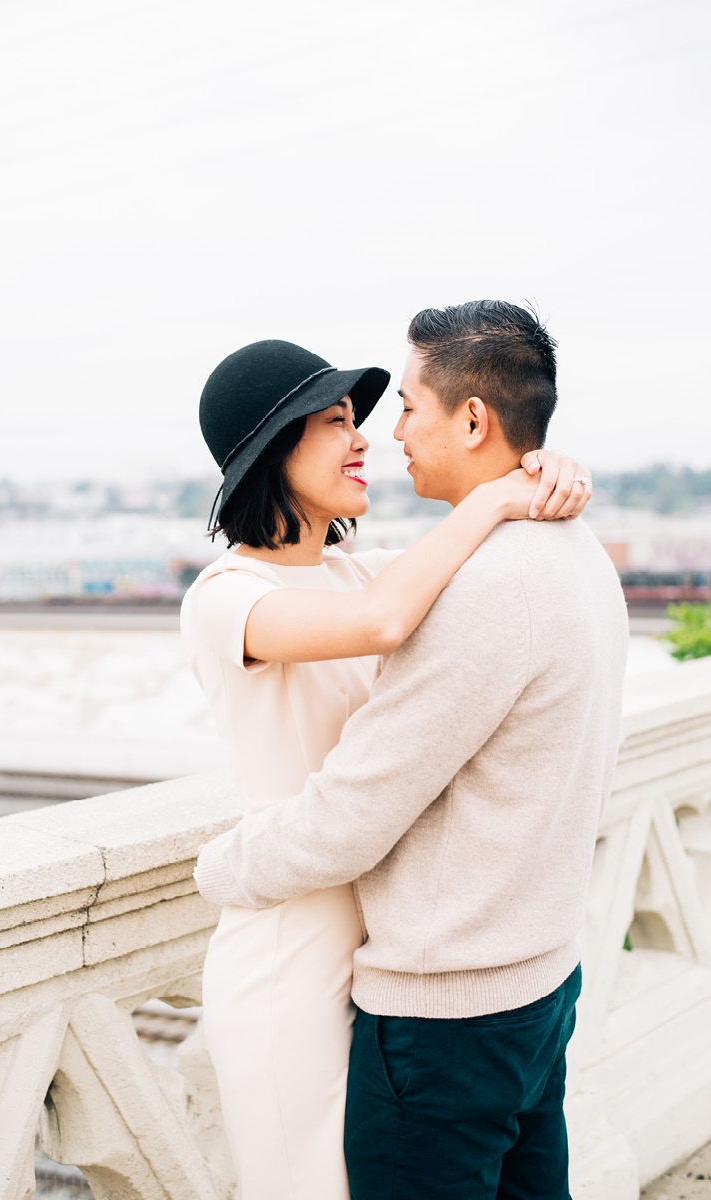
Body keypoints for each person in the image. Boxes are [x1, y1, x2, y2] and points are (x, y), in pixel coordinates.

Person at [194, 303, 629, 1200]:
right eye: (333, 423)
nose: (367, 437)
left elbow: (431, 589)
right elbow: (386, 622)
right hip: (291, 932)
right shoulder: (226, 596)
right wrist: (509, 487)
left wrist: (536, 476)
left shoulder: (366, 567)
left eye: (370, 416)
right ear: (270, 451)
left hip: (397, 949)